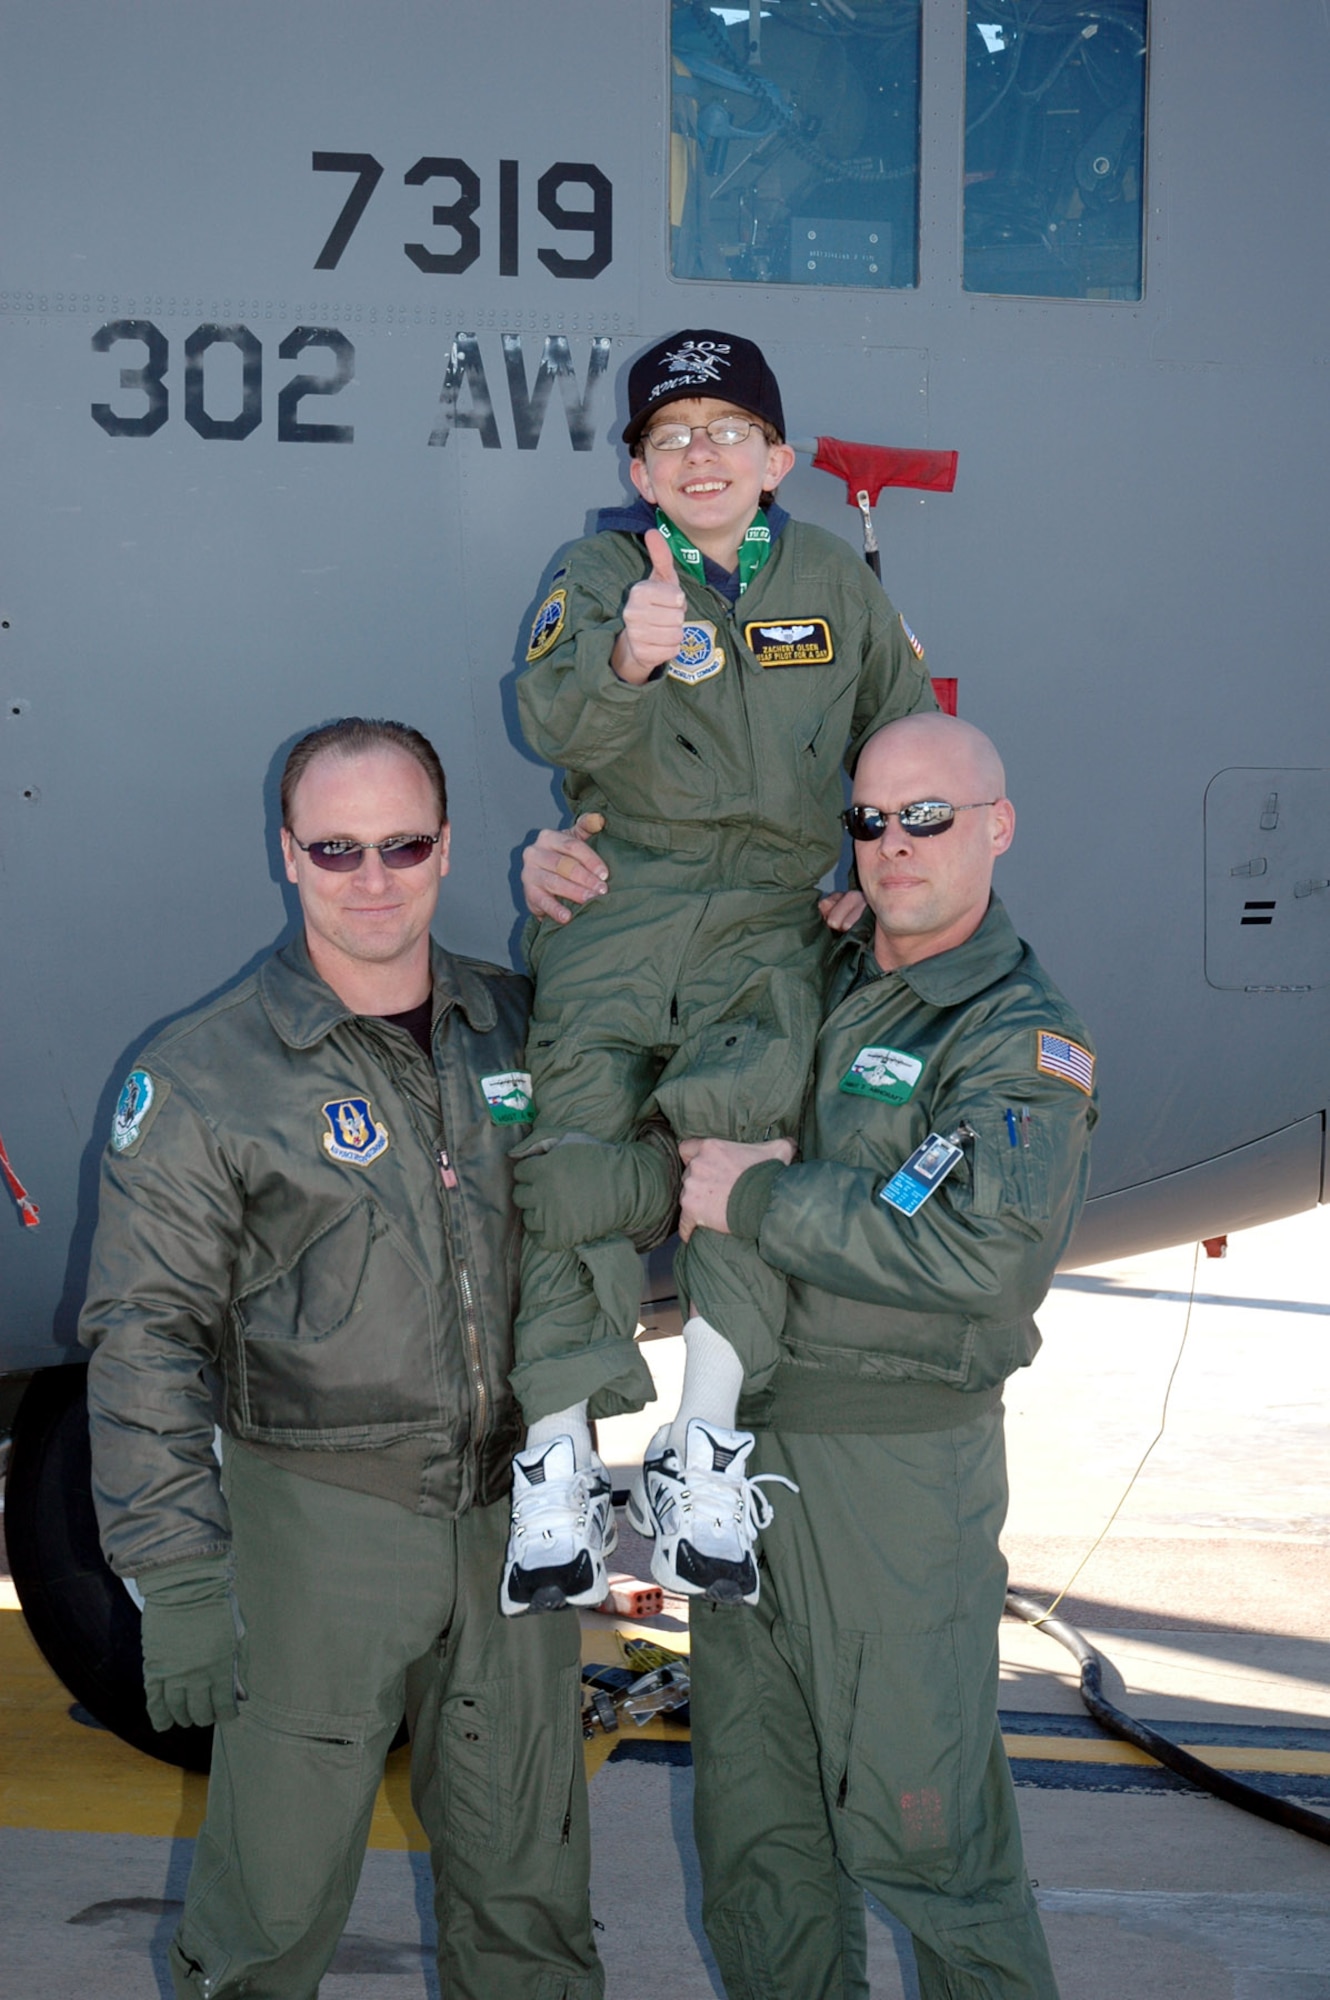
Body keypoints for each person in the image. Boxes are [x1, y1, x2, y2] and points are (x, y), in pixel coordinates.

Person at [520, 710, 1097, 1999]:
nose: (893, 844)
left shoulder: (1011, 1032)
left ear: (996, 827)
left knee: (929, 1838)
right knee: (761, 1847)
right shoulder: (821, 961)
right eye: (871, 819)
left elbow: (985, 1251)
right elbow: (641, 997)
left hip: (895, 1477)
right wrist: (558, 889)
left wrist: (768, 1200)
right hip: (744, 1460)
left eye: (928, 817)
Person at [79, 719, 603, 2000]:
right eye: (336, 846)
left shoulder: (521, 1026)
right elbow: (142, 1338)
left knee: (531, 1909)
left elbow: (637, 1165)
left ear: (443, 849)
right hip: (319, 1531)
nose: (373, 876)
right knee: (268, 1917)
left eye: (403, 843)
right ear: (288, 855)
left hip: (513, 1524)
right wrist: (179, 1578)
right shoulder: (205, 1074)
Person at [503, 328, 937, 1617]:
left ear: (778, 460)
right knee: (567, 1142)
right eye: (672, 436)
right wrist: (627, 656)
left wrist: (875, 859)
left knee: (741, 1149)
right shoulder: (597, 574)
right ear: (639, 470)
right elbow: (549, 720)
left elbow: (898, 731)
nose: (702, 454)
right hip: (618, 895)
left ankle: (703, 1441)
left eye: (728, 432)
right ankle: (558, 1459)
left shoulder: (828, 582)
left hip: (770, 913)